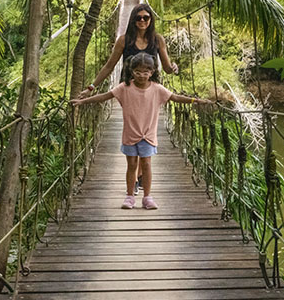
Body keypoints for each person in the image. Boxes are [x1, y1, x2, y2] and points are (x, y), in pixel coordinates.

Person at [71, 52, 210, 210]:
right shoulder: (124, 88)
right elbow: (104, 96)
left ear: (152, 72)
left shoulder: (157, 89)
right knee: (131, 164)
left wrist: (196, 101)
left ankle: (147, 197)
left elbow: (176, 98)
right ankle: (130, 196)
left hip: (148, 135)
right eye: (138, 72)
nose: (142, 75)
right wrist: (82, 102)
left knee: (146, 164)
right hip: (130, 134)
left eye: (146, 72)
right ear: (131, 71)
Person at [78, 3, 178, 99]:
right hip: (129, 88)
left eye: (146, 17)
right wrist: (91, 88)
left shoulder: (158, 39)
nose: (142, 20)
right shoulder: (123, 40)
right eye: (138, 18)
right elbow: (109, 66)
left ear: (151, 19)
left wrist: (173, 68)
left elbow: (167, 69)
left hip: (151, 88)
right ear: (133, 20)